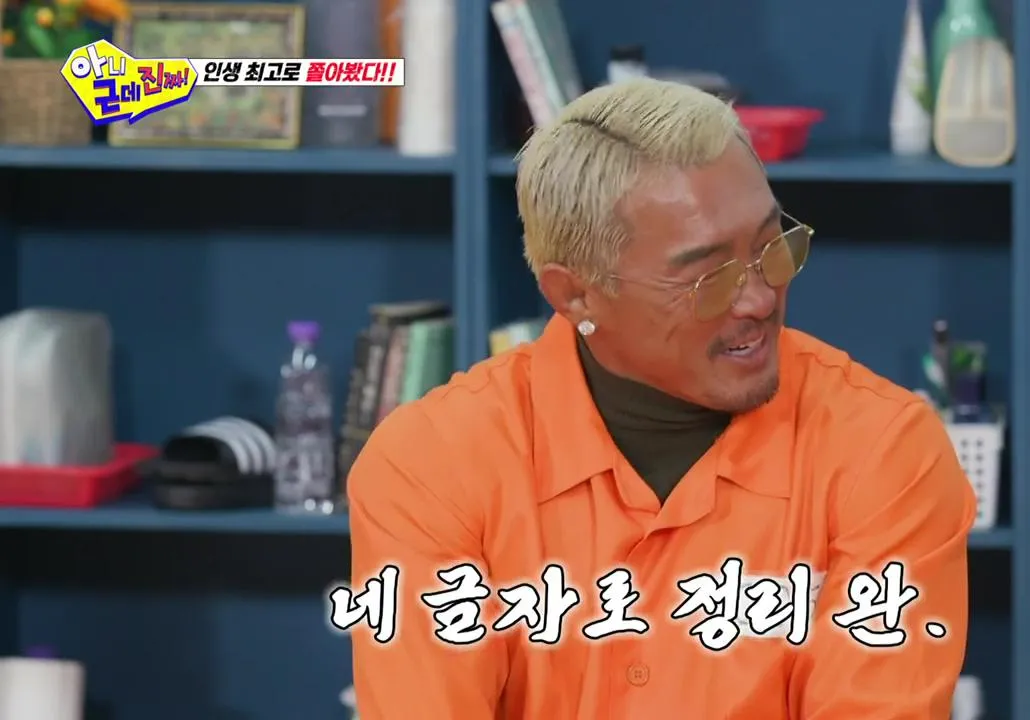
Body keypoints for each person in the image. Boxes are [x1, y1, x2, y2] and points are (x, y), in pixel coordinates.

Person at [348, 77, 977, 719]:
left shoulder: (883, 449)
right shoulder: (430, 465)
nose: (760, 299)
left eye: (772, 247)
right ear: (576, 295)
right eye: (709, 277)